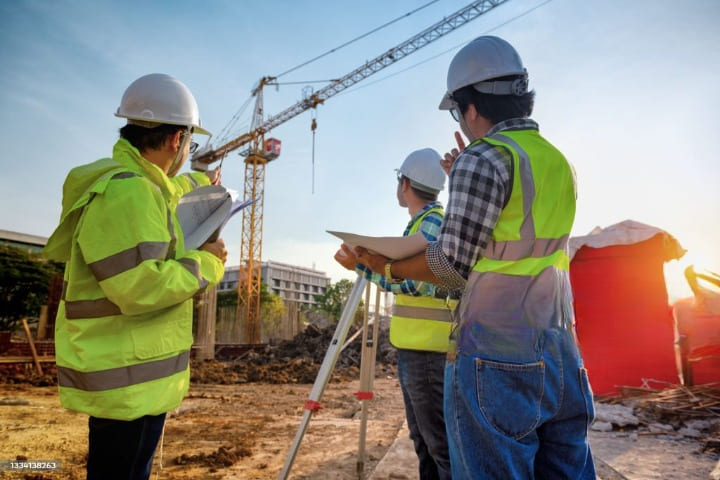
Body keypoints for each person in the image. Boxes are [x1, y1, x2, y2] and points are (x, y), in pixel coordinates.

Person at [352, 36, 596, 479]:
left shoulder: (483, 158)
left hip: (495, 357)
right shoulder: (558, 161)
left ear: (469, 108)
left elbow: (448, 266)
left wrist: (382, 266)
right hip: (561, 351)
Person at [43, 73, 227, 480]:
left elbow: (167, 190)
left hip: (133, 374)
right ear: (177, 140)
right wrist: (208, 262)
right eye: (189, 145)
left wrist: (200, 181)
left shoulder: (138, 185)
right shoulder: (129, 192)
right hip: (126, 379)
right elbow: (140, 288)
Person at [335, 148, 454, 479]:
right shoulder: (419, 223)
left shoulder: (432, 222)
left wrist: (366, 265)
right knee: (424, 442)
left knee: (439, 446)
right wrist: (367, 265)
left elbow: (421, 283)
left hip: (430, 352)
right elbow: (400, 278)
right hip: (416, 350)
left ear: (405, 184)